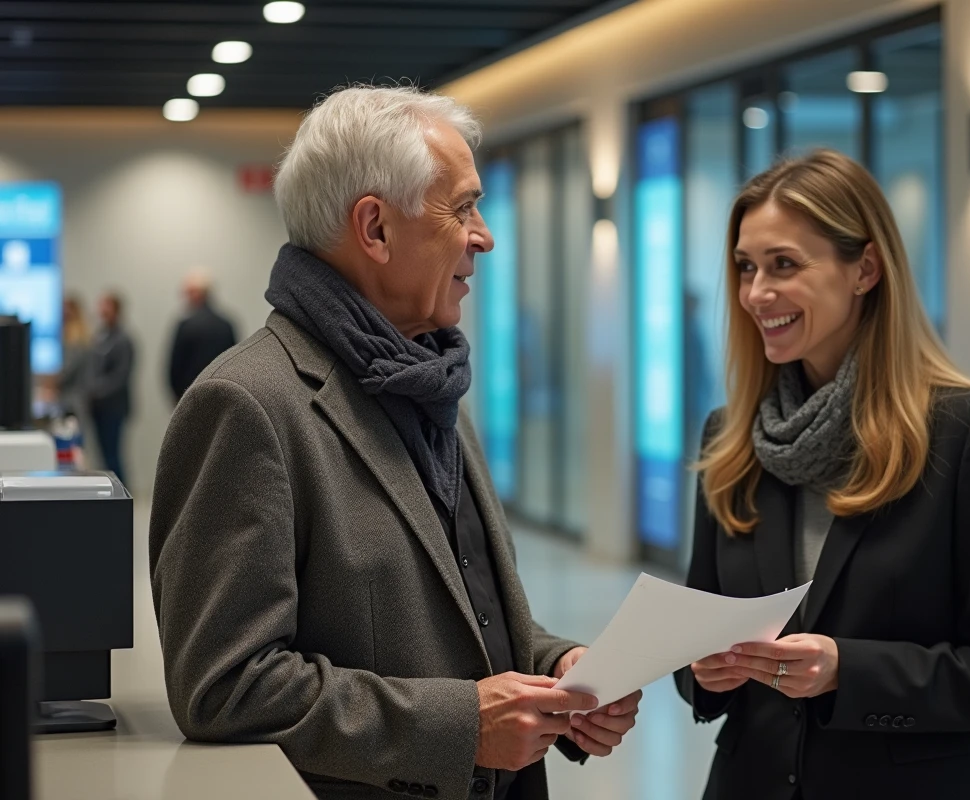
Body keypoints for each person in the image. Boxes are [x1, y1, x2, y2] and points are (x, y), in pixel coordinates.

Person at [148, 86, 642, 800]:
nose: (485, 235)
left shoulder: (427, 377)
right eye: (463, 207)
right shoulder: (248, 405)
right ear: (375, 228)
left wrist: (555, 664)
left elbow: (456, 610)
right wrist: (460, 725)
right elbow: (224, 686)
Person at [675, 150, 970, 800]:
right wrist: (702, 671)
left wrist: (848, 671)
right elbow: (696, 645)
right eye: (745, 267)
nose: (756, 293)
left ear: (866, 270)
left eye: (784, 265)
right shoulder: (732, 437)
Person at [167, 269, 238, 402]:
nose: (185, 298)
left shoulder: (185, 325)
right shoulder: (226, 325)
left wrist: (177, 398)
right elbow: (235, 365)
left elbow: (174, 369)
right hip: (221, 398)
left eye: (188, 293)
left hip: (190, 399)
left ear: (197, 294)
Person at [88, 292, 134, 485]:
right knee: (104, 457)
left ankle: (122, 497)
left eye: (106, 307)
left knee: (113, 456)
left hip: (113, 407)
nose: (102, 311)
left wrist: (97, 390)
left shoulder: (123, 340)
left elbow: (121, 376)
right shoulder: (99, 336)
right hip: (97, 408)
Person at [58, 295, 91, 420]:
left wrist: (53, 383)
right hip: (74, 395)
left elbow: (69, 368)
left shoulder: (75, 336)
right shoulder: (69, 333)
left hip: (74, 396)